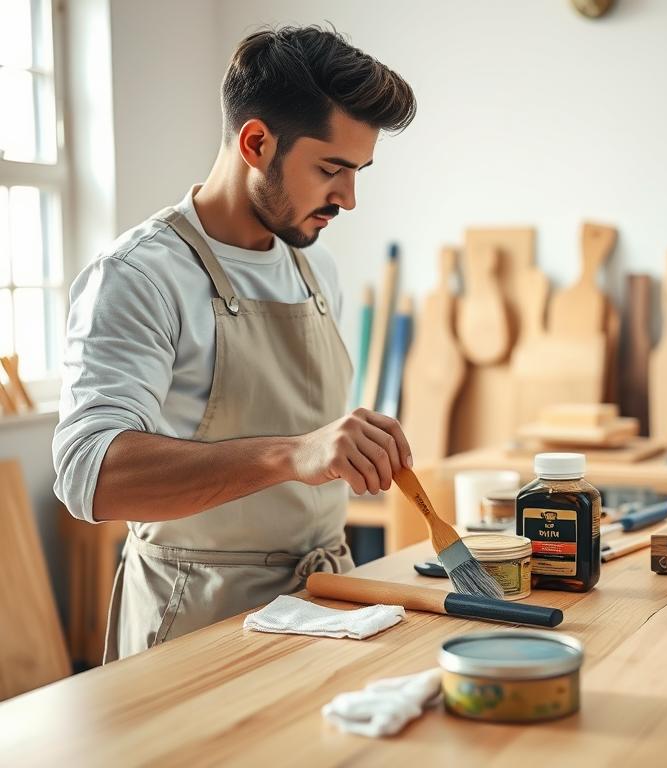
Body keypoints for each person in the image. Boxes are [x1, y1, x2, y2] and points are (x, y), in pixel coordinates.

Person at [53, 25, 417, 661]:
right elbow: (91, 475)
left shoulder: (313, 267)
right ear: (256, 142)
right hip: (195, 620)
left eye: (357, 172)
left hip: (324, 605)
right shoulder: (141, 275)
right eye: (331, 169)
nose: (348, 199)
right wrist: (289, 455)